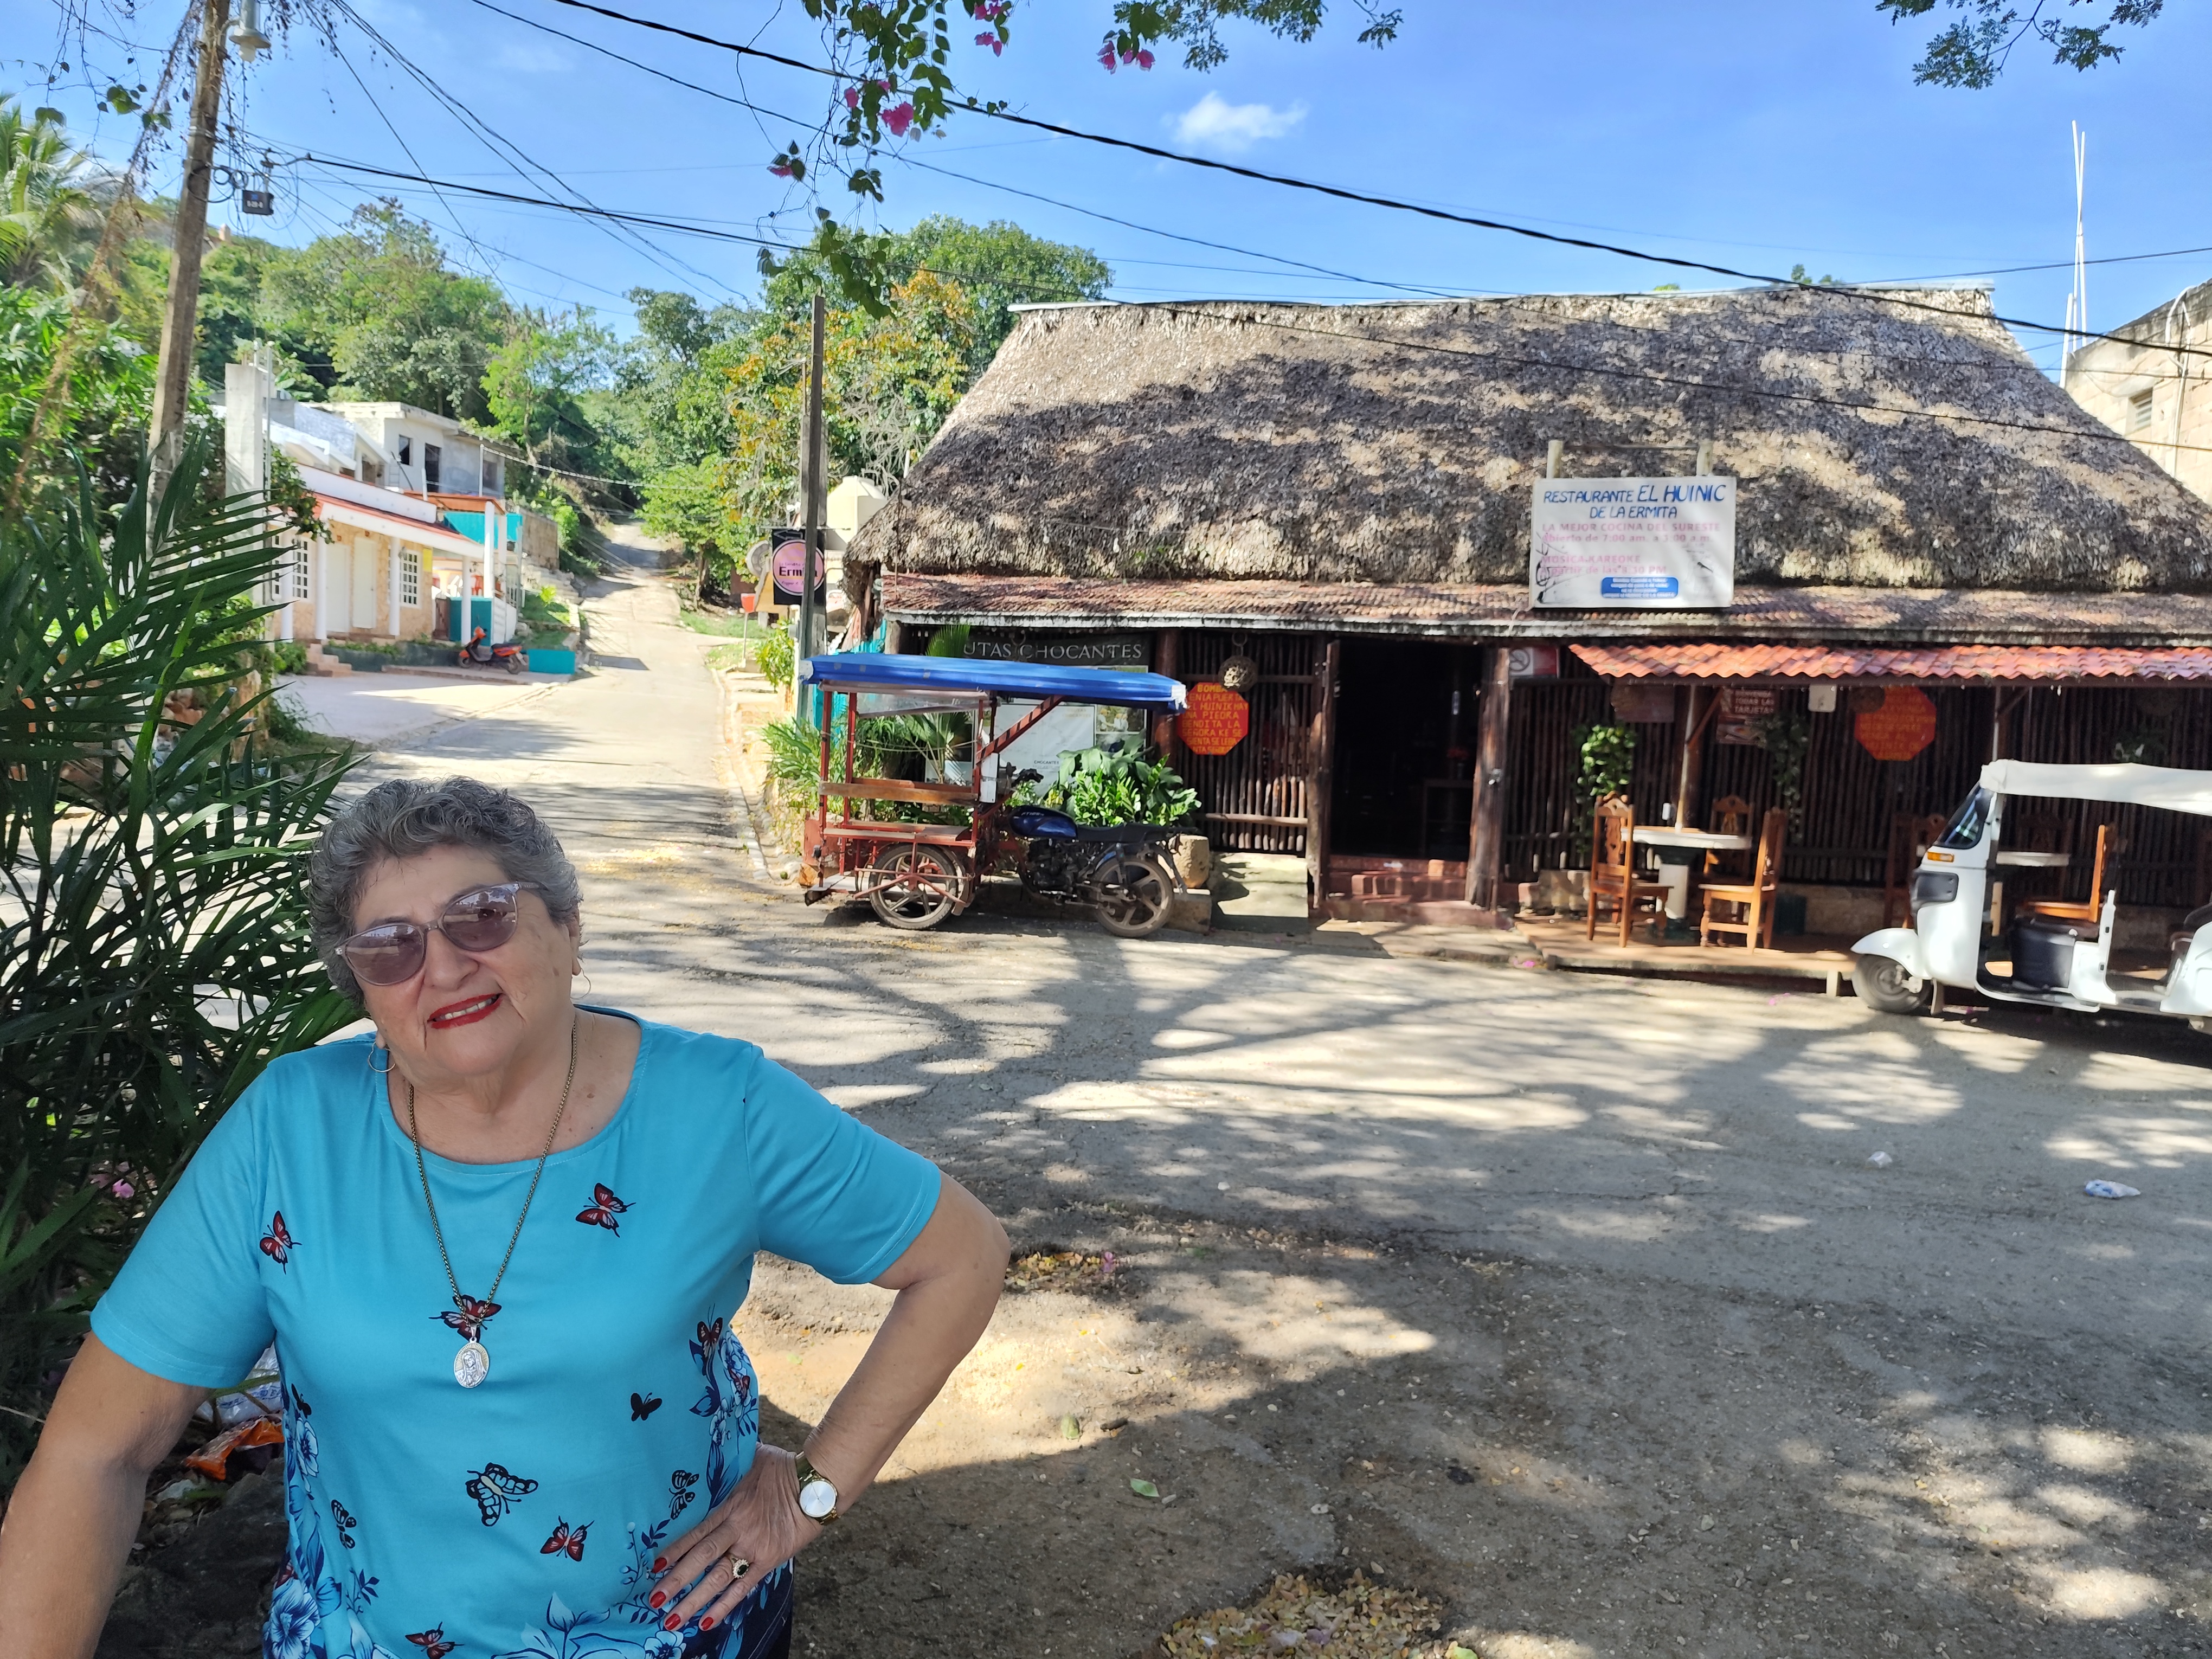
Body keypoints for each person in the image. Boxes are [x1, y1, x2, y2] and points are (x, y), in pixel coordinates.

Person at [0, 778, 1008, 1659]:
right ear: (362, 991)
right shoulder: (290, 1130)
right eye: (389, 947)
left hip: (677, 1638)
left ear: (567, 930)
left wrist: (814, 1491)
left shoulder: (718, 1108)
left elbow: (961, 1257)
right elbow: (96, 1452)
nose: (440, 966)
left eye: (480, 916)